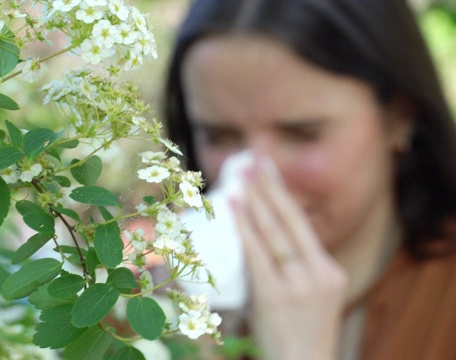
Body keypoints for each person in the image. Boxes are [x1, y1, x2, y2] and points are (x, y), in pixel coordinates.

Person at [164, 0, 456, 359]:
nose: (255, 175)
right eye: (220, 136)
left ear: (398, 117)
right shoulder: (149, 311)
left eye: (302, 134)